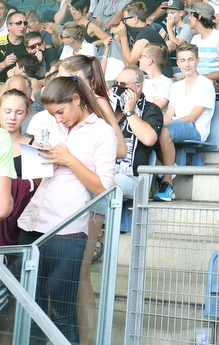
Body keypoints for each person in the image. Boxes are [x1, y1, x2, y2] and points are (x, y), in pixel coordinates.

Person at [18, 75, 117, 345]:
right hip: (32, 225)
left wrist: (69, 160)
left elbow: (103, 187)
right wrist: (36, 156)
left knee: (62, 314)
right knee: (30, 311)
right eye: (53, 114)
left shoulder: (101, 132)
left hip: (68, 229)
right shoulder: (50, 124)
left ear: (76, 100)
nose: (58, 119)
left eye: (61, 112)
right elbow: (38, 173)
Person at [154, 43, 216, 201]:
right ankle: (167, 167)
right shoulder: (176, 86)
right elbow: (169, 114)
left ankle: (167, 182)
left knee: (165, 131)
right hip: (177, 126)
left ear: (197, 60)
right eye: (183, 60)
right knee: (150, 133)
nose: (186, 64)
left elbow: (192, 117)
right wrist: (155, 124)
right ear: (178, 63)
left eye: (190, 60)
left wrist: (166, 125)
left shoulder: (206, 84)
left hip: (195, 129)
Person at [110, 65, 163, 196]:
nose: (117, 87)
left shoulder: (150, 110)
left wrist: (129, 112)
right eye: (115, 83)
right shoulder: (109, 108)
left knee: (104, 184)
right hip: (106, 170)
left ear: (138, 87)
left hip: (133, 177)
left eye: (123, 84)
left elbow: (149, 139)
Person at [112, 1, 174, 76]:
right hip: (147, 75)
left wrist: (123, 37)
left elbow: (129, 64)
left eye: (125, 20)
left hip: (159, 78)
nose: (124, 23)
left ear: (135, 19)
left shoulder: (146, 33)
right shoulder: (137, 30)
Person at [189, 1, 219, 82]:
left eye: (191, 15)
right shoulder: (195, 39)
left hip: (213, 83)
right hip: (195, 81)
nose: (189, 18)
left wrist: (199, 78)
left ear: (199, 16)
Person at [137, 44, 173, 111]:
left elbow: (153, 110)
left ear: (150, 60)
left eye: (141, 56)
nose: (139, 59)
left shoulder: (166, 82)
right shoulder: (140, 79)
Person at [0, 11, 28, 84]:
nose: (23, 26)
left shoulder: (29, 44)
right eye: (18, 23)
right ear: (9, 26)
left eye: (25, 23)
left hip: (21, 84)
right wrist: (4, 64)